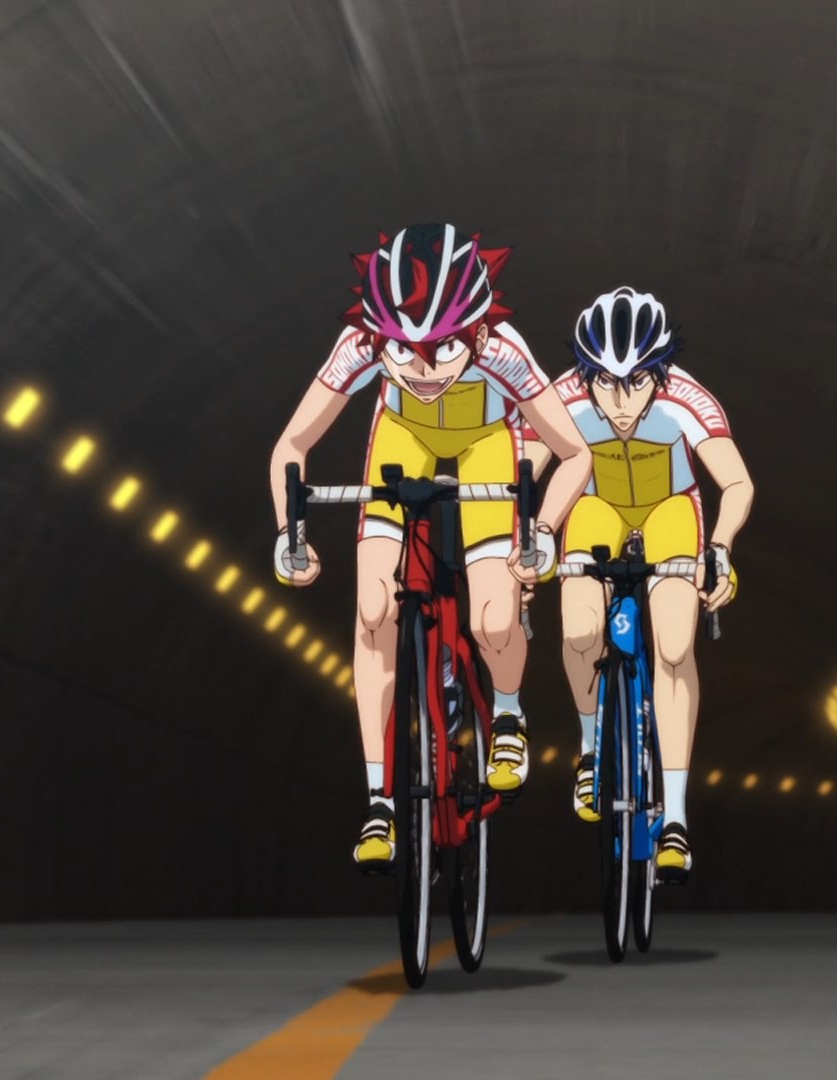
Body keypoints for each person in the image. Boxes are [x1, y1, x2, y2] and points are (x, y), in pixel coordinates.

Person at [269, 224, 593, 871]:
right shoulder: (361, 344)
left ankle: (507, 714)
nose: (420, 369)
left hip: (486, 444)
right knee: (373, 613)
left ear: (476, 332)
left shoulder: (503, 349)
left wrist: (542, 532)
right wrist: (289, 533)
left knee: (493, 617)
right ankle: (379, 800)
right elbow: (292, 447)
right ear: (378, 334)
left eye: (443, 350)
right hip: (402, 441)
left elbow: (574, 453)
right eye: (401, 351)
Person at [521, 287, 753, 875]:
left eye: (637, 382)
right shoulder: (563, 397)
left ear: (660, 373)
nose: (620, 402)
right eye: (605, 382)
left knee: (673, 647)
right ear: (586, 374)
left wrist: (719, 549)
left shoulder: (686, 398)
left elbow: (736, 483)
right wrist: (525, 542)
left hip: (670, 508)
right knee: (579, 633)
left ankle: (674, 815)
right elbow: (521, 474)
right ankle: (590, 749)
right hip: (595, 506)